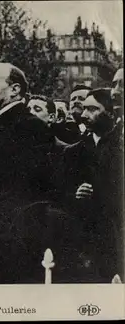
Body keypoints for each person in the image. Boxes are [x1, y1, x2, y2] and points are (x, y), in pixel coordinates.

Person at [0, 63, 79, 284]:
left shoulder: (29, 127)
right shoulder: (0, 124)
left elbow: (21, 186)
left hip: (7, 234)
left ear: (15, 90)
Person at [61, 88, 124, 282]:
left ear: (111, 113)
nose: (85, 115)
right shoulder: (75, 150)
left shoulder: (119, 147)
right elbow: (61, 188)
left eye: (93, 109)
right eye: (84, 109)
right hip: (86, 234)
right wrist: (75, 192)